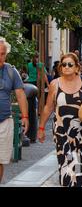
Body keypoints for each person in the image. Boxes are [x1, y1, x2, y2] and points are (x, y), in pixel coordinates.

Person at [38, 53, 82, 187]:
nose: (66, 67)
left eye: (70, 64)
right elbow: (48, 107)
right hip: (61, 131)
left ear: (76, 68)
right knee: (65, 162)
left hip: (81, 130)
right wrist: (41, 128)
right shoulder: (54, 84)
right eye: (64, 64)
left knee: (80, 163)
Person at [0, 39, 29, 183]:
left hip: (4, 121)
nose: (0, 57)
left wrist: (25, 116)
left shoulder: (11, 71)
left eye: (2, 54)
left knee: (0, 160)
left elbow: (21, 95)